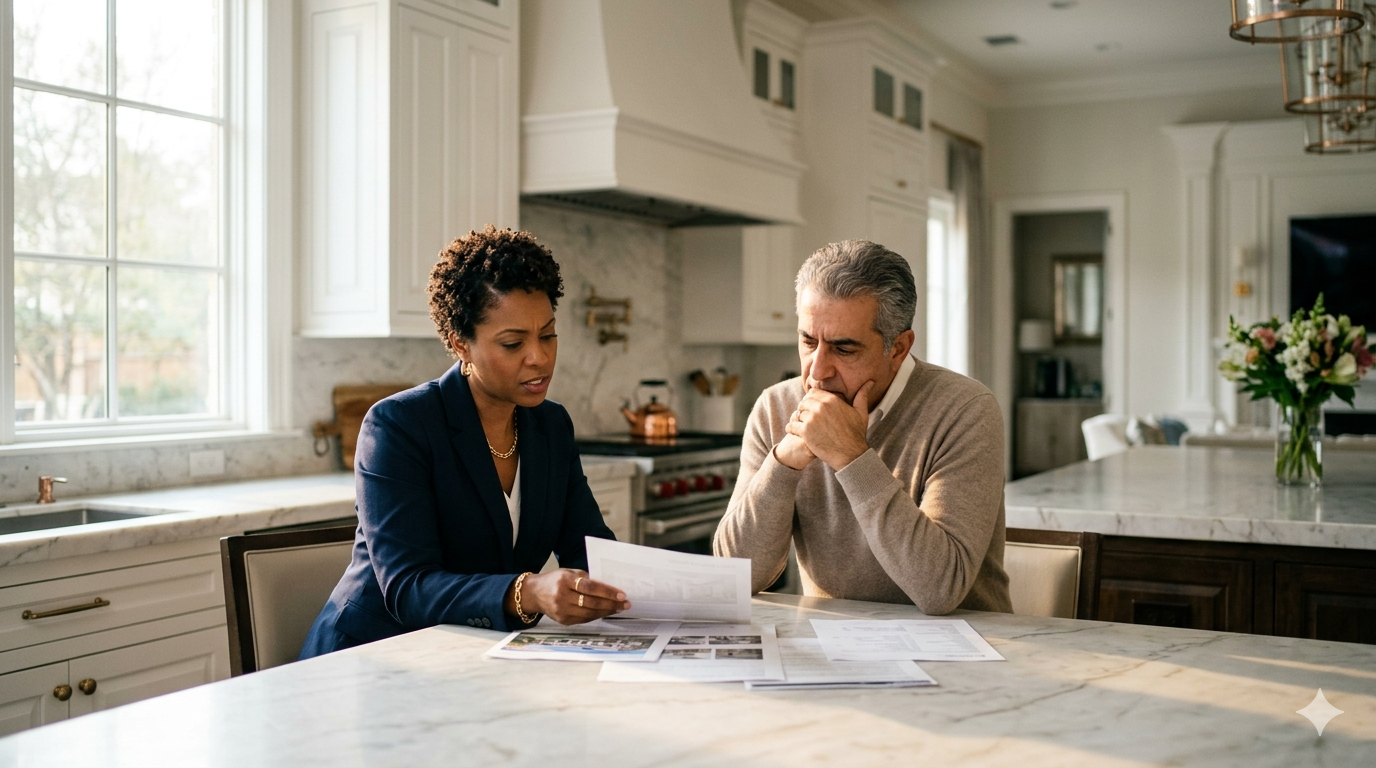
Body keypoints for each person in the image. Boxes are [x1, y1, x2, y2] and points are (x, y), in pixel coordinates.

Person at [301, 227, 630, 658]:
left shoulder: (551, 425)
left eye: (547, 335)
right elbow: (408, 587)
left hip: (474, 652)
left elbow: (590, 549)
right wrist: (527, 592)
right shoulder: (398, 425)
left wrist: (667, 587)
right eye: (513, 343)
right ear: (461, 344)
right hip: (371, 656)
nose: (540, 357)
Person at [713, 239, 1012, 615]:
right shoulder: (776, 407)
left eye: (844, 348)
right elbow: (735, 576)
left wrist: (851, 456)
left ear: (898, 348)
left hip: (967, 650)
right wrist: (784, 461)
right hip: (832, 643)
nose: (817, 372)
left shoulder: (965, 410)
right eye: (808, 341)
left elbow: (940, 590)